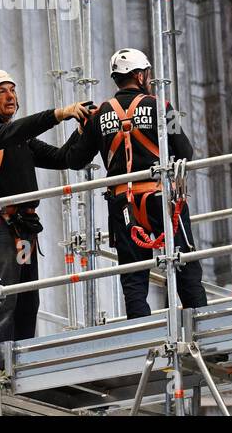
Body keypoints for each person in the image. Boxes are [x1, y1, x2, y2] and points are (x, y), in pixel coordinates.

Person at [63, 48, 206, 318]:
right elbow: (185, 151)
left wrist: (85, 128)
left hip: (123, 204)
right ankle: (207, 335)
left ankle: (141, 343)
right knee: (184, 265)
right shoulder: (163, 107)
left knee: (133, 278)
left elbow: (75, 158)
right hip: (161, 198)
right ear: (140, 76)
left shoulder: (99, 115)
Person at [0, 69, 92, 344]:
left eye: (12, 90)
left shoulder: (19, 140)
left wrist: (83, 129)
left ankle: (21, 360)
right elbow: (14, 130)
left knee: (27, 300)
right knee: (3, 297)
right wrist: (59, 114)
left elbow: (63, 158)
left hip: (23, 230)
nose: (10, 96)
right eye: (1, 91)